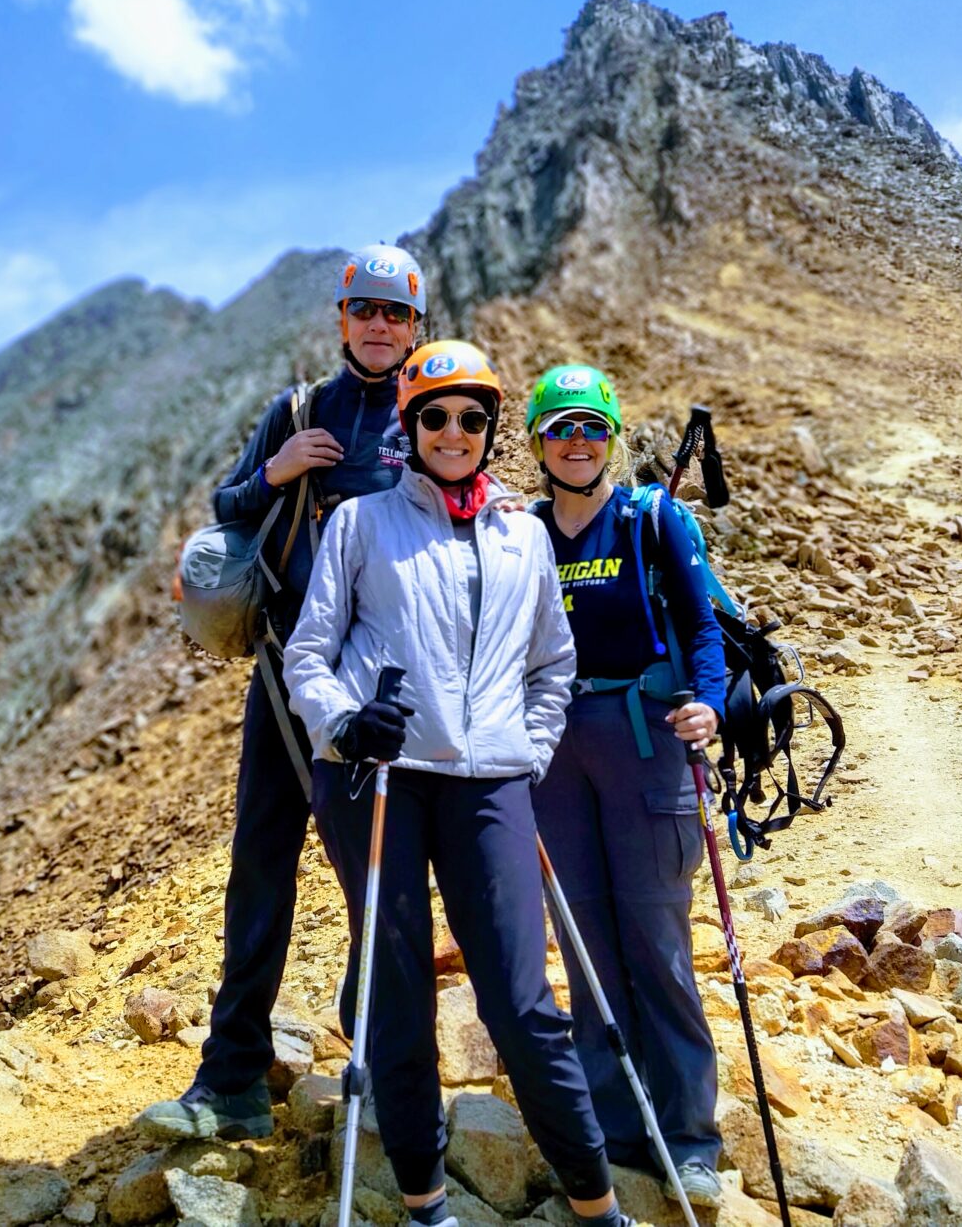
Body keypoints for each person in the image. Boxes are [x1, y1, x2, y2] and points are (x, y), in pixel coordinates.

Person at [285, 341, 633, 1227]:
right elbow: (308, 655)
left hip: (489, 785)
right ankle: (425, 1202)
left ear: (489, 431)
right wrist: (343, 723)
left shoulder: (523, 535)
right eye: (434, 415)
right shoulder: (360, 525)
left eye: (471, 417)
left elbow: (554, 665)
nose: (453, 431)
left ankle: (596, 1206)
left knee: (521, 1001)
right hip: (380, 778)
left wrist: (531, 750)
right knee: (399, 995)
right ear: (411, 426)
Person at [136, 245, 427, 1142]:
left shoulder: (429, 413)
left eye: (395, 313)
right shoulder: (297, 411)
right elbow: (227, 507)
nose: (378, 326)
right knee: (259, 867)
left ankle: (384, 1070)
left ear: (415, 325)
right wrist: (280, 468)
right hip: (279, 675)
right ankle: (231, 1080)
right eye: (364, 311)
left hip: (367, 687)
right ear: (341, 320)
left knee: (371, 875)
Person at [522, 364, 730, 1209]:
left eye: (592, 428)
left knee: (657, 943)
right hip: (554, 751)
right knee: (587, 950)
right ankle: (611, 1128)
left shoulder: (652, 518)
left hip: (646, 739)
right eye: (561, 428)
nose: (578, 442)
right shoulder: (523, 532)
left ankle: (688, 1139)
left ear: (612, 436)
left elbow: (701, 625)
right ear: (537, 442)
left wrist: (710, 708)